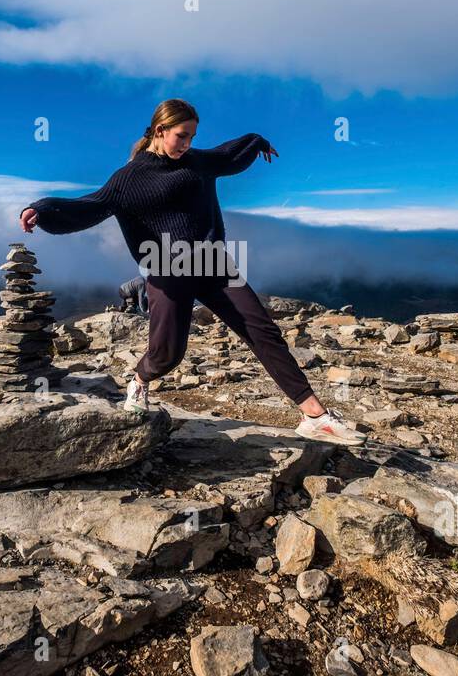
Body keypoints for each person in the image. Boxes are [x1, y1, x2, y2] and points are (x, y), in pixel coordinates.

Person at [19, 98, 365, 445]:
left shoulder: (198, 161)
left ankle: (314, 416)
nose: (187, 145)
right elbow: (88, 206)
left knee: (262, 331)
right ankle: (140, 379)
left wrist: (256, 141)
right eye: (181, 136)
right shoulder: (128, 179)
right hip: (167, 272)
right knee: (168, 354)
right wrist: (42, 210)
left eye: (192, 137)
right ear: (160, 131)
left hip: (213, 263)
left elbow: (229, 154)